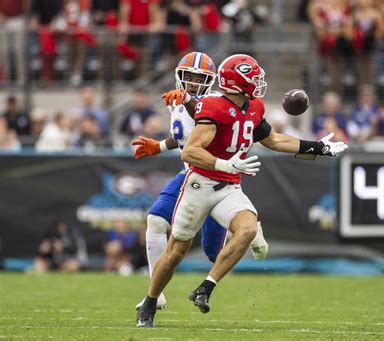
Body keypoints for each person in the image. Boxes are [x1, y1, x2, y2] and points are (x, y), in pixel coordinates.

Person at [135, 54, 347, 327]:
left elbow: (273, 140)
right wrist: (226, 162)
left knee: (245, 229)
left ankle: (205, 287)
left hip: (229, 186)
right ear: (237, 83)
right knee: (176, 251)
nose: (259, 83)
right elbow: (190, 151)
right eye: (254, 78)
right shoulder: (213, 106)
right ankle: (151, 302)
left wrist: (317, 147)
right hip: (199, 183)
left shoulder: (254, 106)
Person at [132, 52, 269, 311]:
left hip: (217, 176)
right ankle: (155, 292)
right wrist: (159, 146)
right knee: (156, 220)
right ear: (179, 76)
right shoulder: (178, 100)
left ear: (212, 80)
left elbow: (205, 118)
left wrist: (188, 100)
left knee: (214, 254)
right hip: (192, 175)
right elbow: (185, 137)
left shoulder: (216, 101)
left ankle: (250, 229)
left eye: (199, 78)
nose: (193, 82)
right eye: (189, 77)